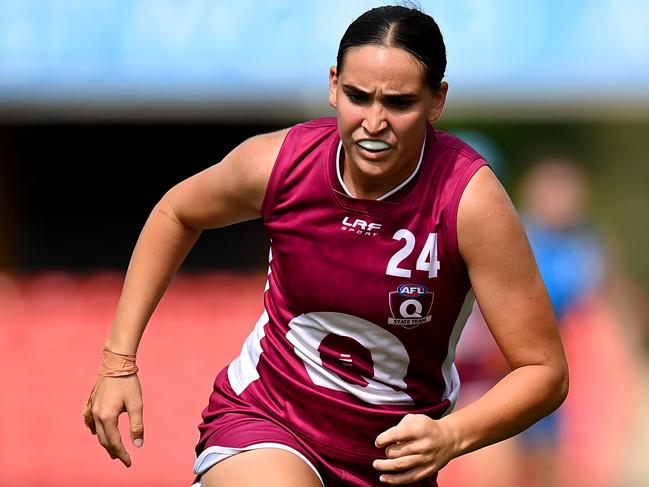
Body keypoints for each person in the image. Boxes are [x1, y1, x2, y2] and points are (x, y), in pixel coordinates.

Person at [82, 6, 568, 486]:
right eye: (358, 97)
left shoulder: (469, 200)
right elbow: (175, 212)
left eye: (399, 103)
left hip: (394, 464)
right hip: (268, 420)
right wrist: (118, 362)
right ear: (333, 84)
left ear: (437, 100)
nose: (374, 123)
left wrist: (450, 436)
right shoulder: (280, 163)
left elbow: (544, 371)